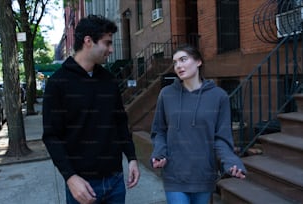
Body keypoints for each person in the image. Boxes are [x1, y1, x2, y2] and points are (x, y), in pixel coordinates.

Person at [42, 15, 140, 204]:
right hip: (82, 186)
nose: (111, 50)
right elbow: (51, 136)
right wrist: (69, 177)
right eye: (107, 43)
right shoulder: (58, 83)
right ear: (88, 41)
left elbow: (120, 122)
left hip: (115, 182)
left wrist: (132, 157)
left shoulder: (109, 80)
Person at [150, 44, 246, 204]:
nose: (178, 66)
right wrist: (159, 153)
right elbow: (159, 131)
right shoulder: (166, 94)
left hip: (204, 175)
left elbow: (222, 138)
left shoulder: (219, 96)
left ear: (198, 62)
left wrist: (230, 161)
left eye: (183, 59)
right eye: (175, 62)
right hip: (174, 175)